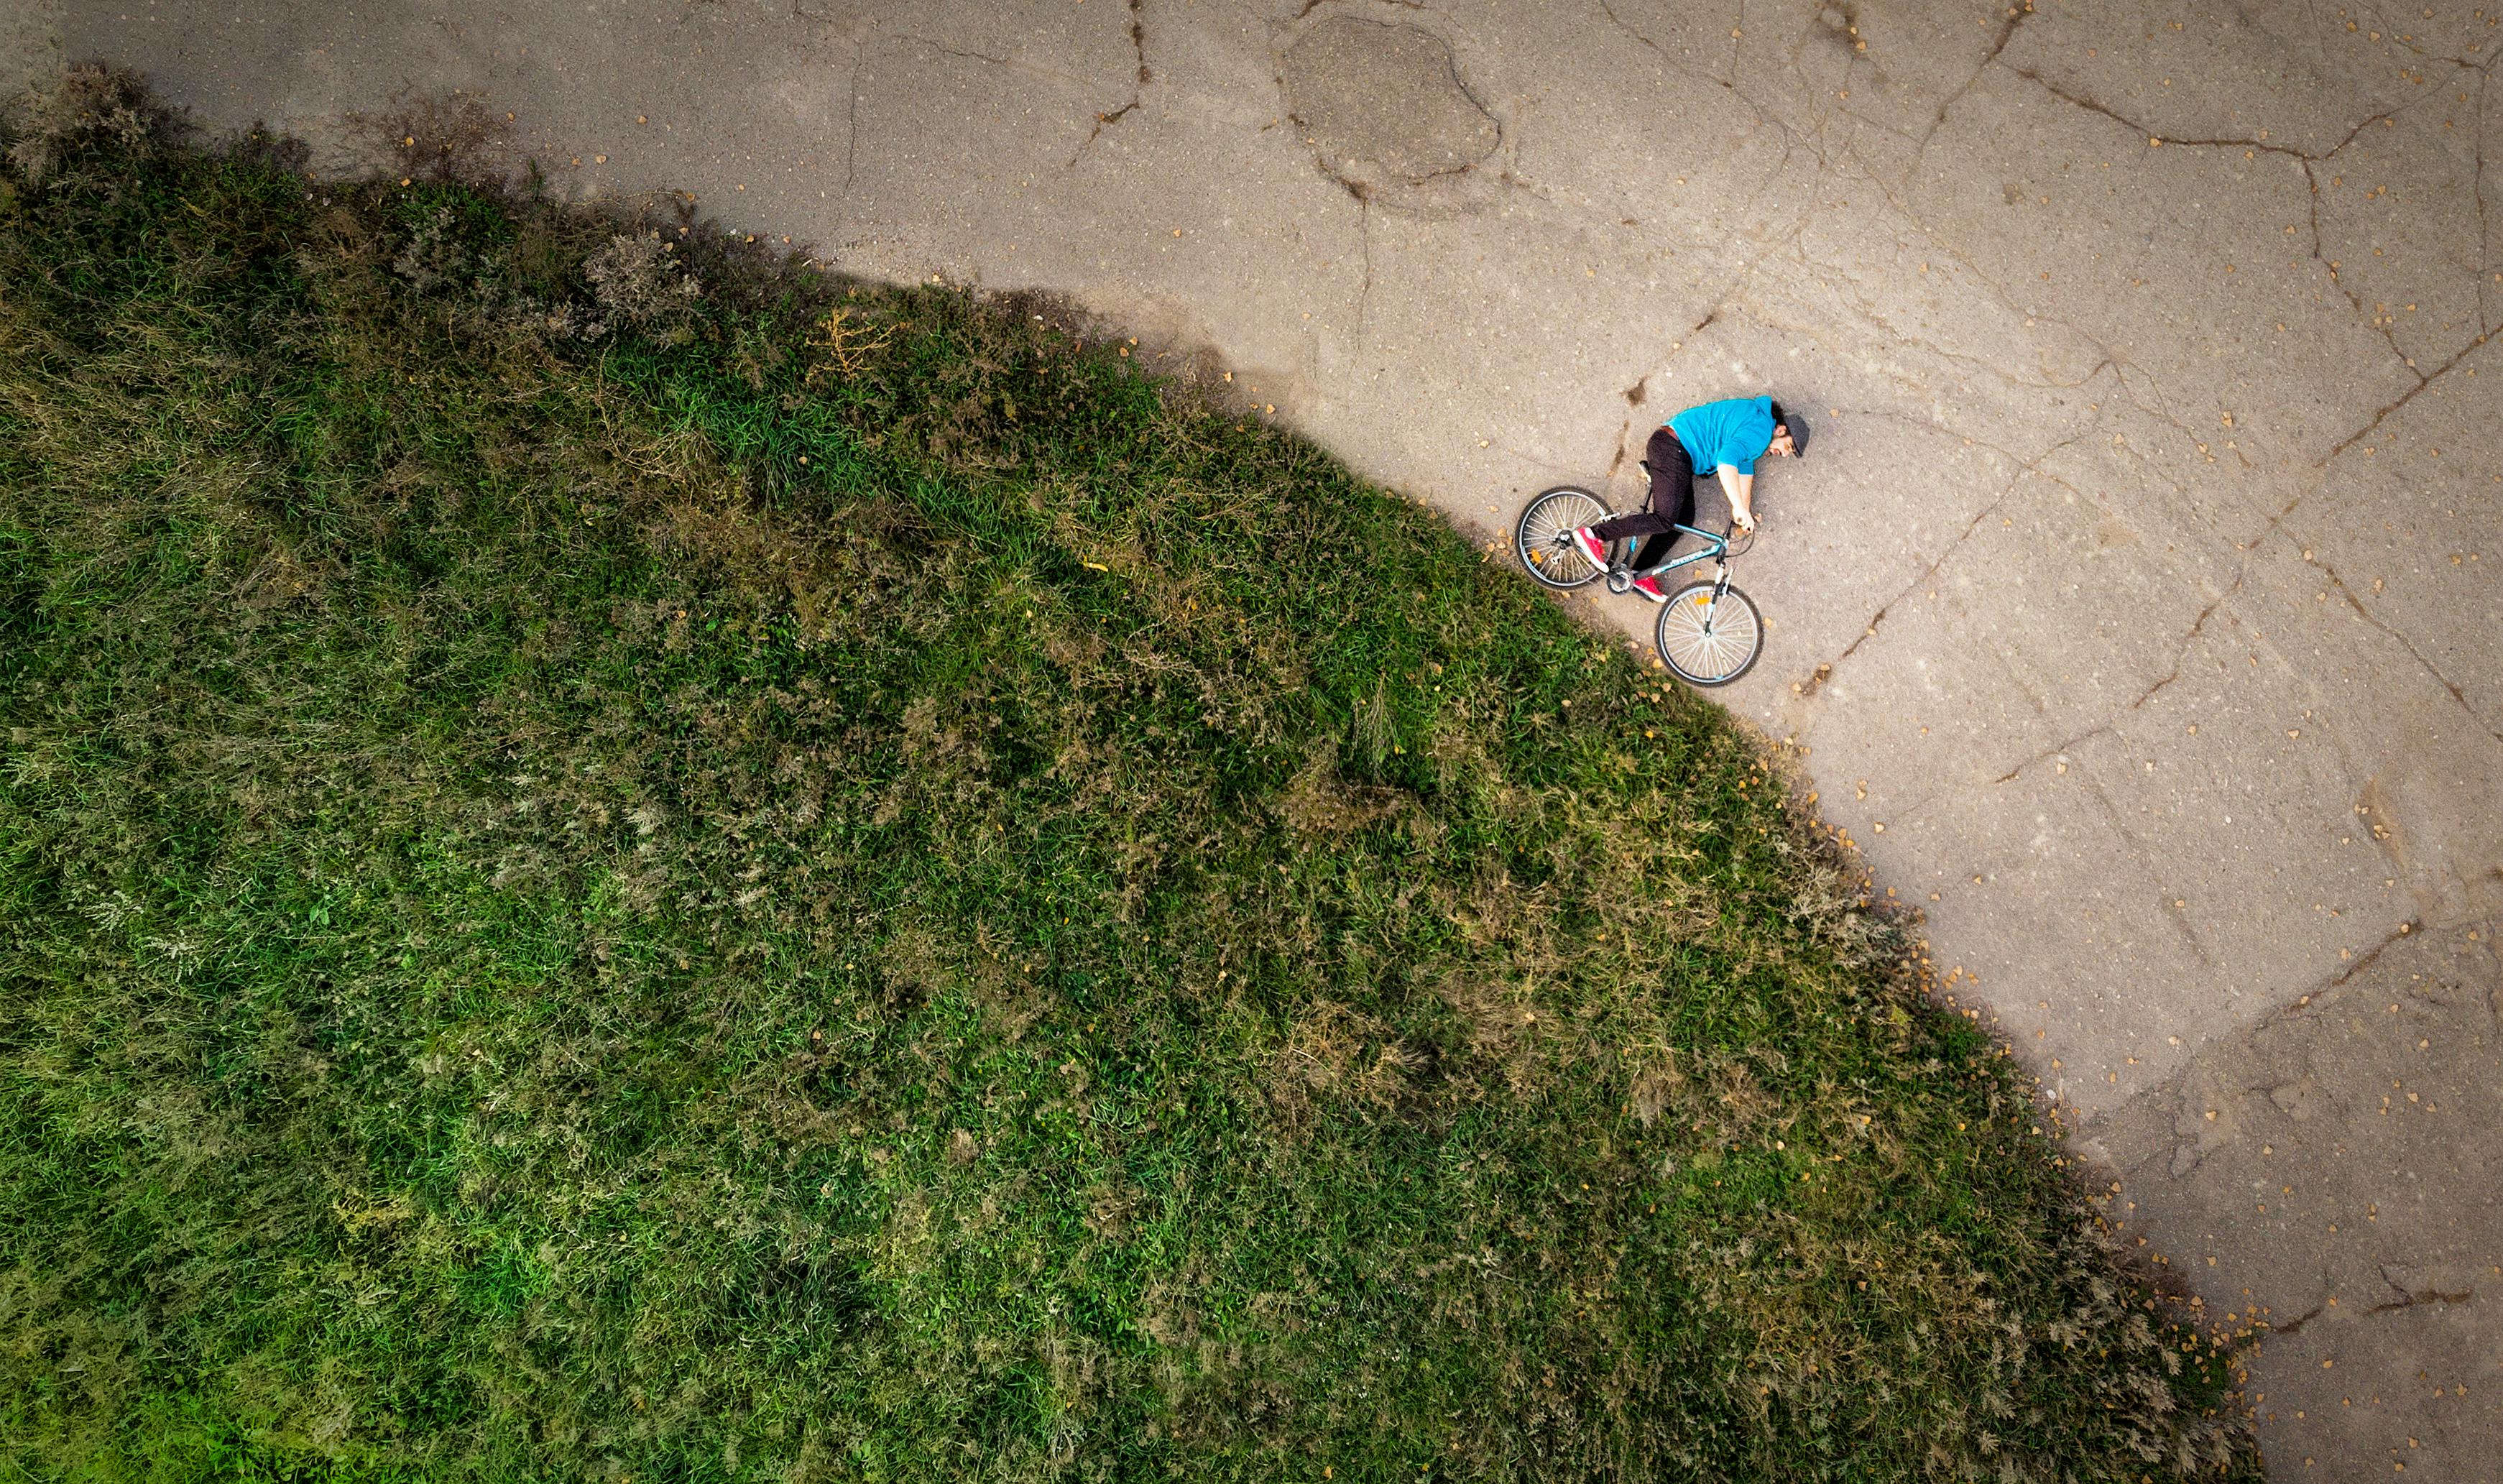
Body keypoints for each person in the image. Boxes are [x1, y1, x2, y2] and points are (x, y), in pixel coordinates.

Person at [1569, 395, 1807, 601]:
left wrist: (1743, 510)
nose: (1785, 454)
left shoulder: (1756, 432)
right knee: (1664, 518)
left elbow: (1745, 472)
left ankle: (1641, 574)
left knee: (1682, 519)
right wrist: (1738, 507)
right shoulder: (1761, 429)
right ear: (1781, 430)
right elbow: (1726, 462)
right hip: (1673, 448)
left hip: (1680, 456)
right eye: (1789, 447)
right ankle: (1593, 535)